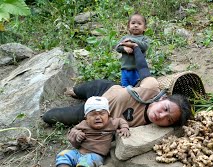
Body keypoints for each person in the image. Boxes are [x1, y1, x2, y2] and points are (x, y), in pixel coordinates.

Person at [42, 43, 191, 128]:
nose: (161, 115)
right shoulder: (151, 88)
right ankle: (74, 91)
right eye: (166, 108)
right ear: (163, 98)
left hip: (95, 112)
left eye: (169, 119)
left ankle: (76, 99)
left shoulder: (146, 127)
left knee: (50, 117)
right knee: (78, 90)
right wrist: (136, 49)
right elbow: (143, 68)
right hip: (104, 88)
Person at [56, 96, 130, 167]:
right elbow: (73, 130)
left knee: (87, 161)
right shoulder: (84, 124)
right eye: (93, 114)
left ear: (108, 115)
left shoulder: (111, 123)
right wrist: (78, 133)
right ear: (86, 117)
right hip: (78, 153)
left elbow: (121, 121)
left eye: (102, 113)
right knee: (63, 154)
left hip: (95, 156)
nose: (98, 117)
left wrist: (124, 128)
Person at [115, 13, 149, 87]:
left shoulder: (144, 39)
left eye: (139, 23)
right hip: (125, 69)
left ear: (145, 28)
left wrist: (132, 40)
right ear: (128, 26)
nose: (136, 25)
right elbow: (117, 47)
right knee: (125, 87)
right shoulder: (125, 38)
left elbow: (144, 47)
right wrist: (124, 48)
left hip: (138, 70)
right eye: (133, 23)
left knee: (138, 87)